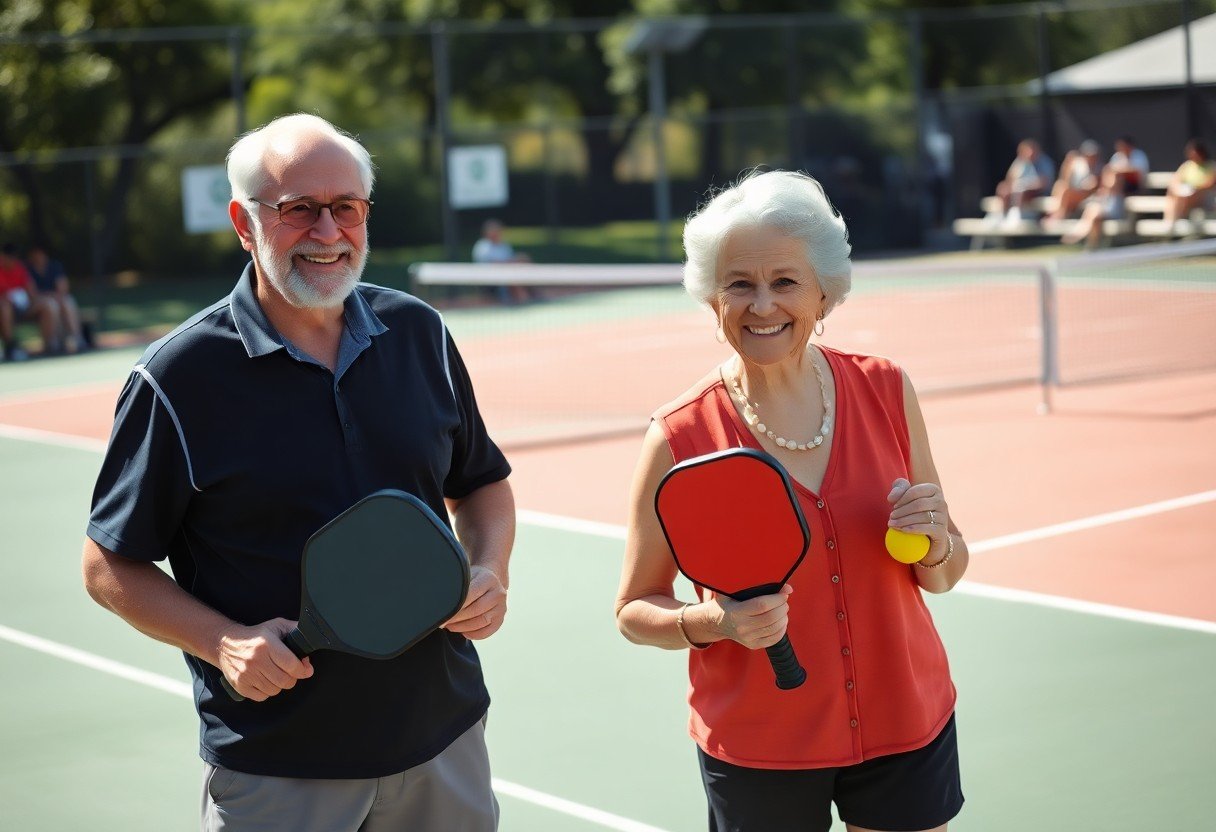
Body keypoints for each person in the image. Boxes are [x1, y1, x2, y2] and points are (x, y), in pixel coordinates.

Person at [82, 114, 515, 832]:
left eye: (346, 207)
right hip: (279, 765)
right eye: (297, 210)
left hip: (444, 738)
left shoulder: (419, 333)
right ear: (243, 223)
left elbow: (482, 481)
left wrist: (490, 567)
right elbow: (106, 564)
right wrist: (221, 641)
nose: (327, 231)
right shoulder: (178, 377)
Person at [616, 170, 967, 832]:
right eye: (739, 283)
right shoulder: (677, 436)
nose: (762, 305)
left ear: (825, 293)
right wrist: (715, 624)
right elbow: (634, 609)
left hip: (906, 718)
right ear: (711, 299)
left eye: (785, 282)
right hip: (761, 745)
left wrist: (941, 542)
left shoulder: (887, 388)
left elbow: (943, 574)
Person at [1061, 137, 1151, 249]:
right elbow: (1110, 172)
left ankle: (1084, 240)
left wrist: (1117, 172)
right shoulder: (1116, 160)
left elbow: (1136, 175)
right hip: (1108, 201)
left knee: (1094, 213)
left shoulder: (1138, 157)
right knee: (1092, 210)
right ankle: (1088, 242)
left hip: (1130, 193)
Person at [25, 244, 87, 353]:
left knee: (67, 301)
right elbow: (32, 293)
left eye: (40, 254)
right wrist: (51, 296)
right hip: (36, 304)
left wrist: (55, 296)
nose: (38, 257)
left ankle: (77, 338)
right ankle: (52, 343)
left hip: (55, 299)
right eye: (35, 254)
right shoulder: (28, 270)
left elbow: (63, 288)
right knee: (51, 304)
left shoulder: (55, 266)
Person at [0, 242, 56, 361]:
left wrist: (26, 297)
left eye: (13, 257)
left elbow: (32, 291)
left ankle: (49, 345)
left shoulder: (20, 268)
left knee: (48, 305)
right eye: (8, 257)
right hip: (5, 310)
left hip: (23, 308)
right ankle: (11, 347)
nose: (10, 260)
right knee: (4, 306)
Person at [992, 138, 1055, 224]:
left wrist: (1025, 185)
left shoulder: (1045, 162)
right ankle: (1002, 216)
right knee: (1003, 189)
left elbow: (1044, 183)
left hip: (1039, 192)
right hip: (1018, 190)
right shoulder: (1020, 161)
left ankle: (1018, 216)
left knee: (1021, 190)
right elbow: (1010, 178)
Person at [472, 218, 533, 304]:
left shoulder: (504, 245)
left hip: (506, 274)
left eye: (498, 230)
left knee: (520, 266)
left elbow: (510, 261)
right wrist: (513, 263)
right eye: (493, 230)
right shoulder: (482, 246)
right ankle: (523, 301)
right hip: (488, 279)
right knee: (512, 276)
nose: (496, 233)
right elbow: (492, 264)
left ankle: (527, 297)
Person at [1162, 138, 1216, 232]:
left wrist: (1196, 188)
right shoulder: (1187, 165)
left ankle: (1177, 219)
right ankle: (1170, 224)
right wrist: (1179, 189)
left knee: (1185, 197)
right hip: (1187, 195)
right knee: (1173, 196)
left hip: (1205, 197)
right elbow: (1175, 181)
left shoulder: (1211, 166)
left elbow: (1210, 184)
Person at [1046, 139, 1102, 221]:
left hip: (1088, 194)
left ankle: (1060, 214)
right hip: (1075, 191)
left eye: (1092, 155)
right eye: (1087, 155)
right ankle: (1054, 212)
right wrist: (1068, 162)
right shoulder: (1078, 164)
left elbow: (1094, 186)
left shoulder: (1099, 168)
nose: (1090, 157)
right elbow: (1065, 178)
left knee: (1067, 192)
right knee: (1060, 185)